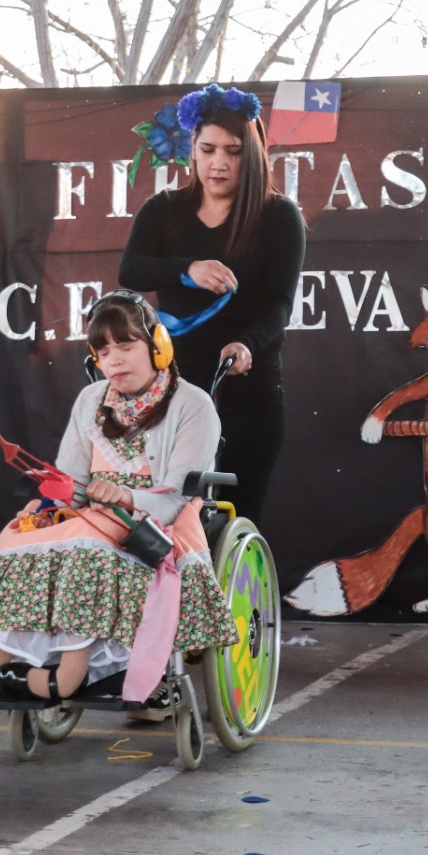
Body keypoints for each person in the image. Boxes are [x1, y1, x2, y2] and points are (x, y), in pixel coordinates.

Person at [0, 291, 239, 762]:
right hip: (90, 521)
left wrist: (127, 496)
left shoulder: (193, 405)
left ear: (158, 346)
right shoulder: (91, 400)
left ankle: (55, 680)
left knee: (83, 546)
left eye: (126, 346)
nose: (113, 361)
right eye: (102, 352)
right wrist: (52, 499)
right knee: (24, 540)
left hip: (157, 530)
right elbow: (73, 481)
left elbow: (178, 496)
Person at [119, 82, 307, 526]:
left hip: (249, 390)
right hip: (173, 388)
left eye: (233, 151)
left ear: (253, 154)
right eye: (207, 149)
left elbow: (280, 304)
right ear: (193, 152)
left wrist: (247, 345)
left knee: (237, 519)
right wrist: (188, 269)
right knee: (166, 515)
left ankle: (228, 595)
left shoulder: (280, 217)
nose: (218, 162)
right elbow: (131, 271)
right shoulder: (163, 209)